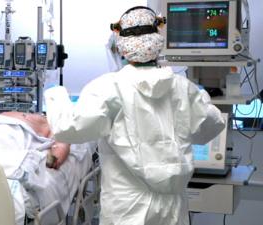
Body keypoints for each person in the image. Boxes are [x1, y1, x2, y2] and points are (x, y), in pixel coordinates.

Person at [44, 6, 226, 225]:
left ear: (121, 46)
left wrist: (55, 93)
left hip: (126, 208)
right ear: (157, 42)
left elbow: (68, 129)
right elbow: (212, 125)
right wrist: (201, 95)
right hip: (171, 210)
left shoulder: (107, 88)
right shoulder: (183, 88)